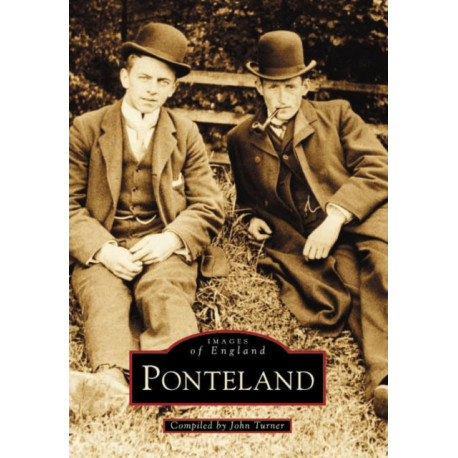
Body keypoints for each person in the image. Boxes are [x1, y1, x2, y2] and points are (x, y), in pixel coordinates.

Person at [227, 31, 388, 419]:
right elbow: (246, 199)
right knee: (349, 290)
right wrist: (251, 220)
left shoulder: (337, 114)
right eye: (273, 88)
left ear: (305, 85)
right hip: (311, 240)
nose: (282, 98)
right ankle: (386, 381)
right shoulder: (240, 139)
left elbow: (379, 169)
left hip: (362, 216)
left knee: (383, 270)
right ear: (258, 87)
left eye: (290, 87)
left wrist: (336, 217)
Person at [69, 22, 225, 415]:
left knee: (165, 291)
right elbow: (63, 204)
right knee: (104, 296)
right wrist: (103, 249)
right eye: (143, 78)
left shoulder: (185, 133)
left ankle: (177, 379)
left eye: (162, 81)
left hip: (161, 242)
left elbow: (208, 205)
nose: (152, 89)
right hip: (104, 242)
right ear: (125, 77)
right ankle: (110, 382)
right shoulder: (86, 128)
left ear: (173, 88)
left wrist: (170, 239)